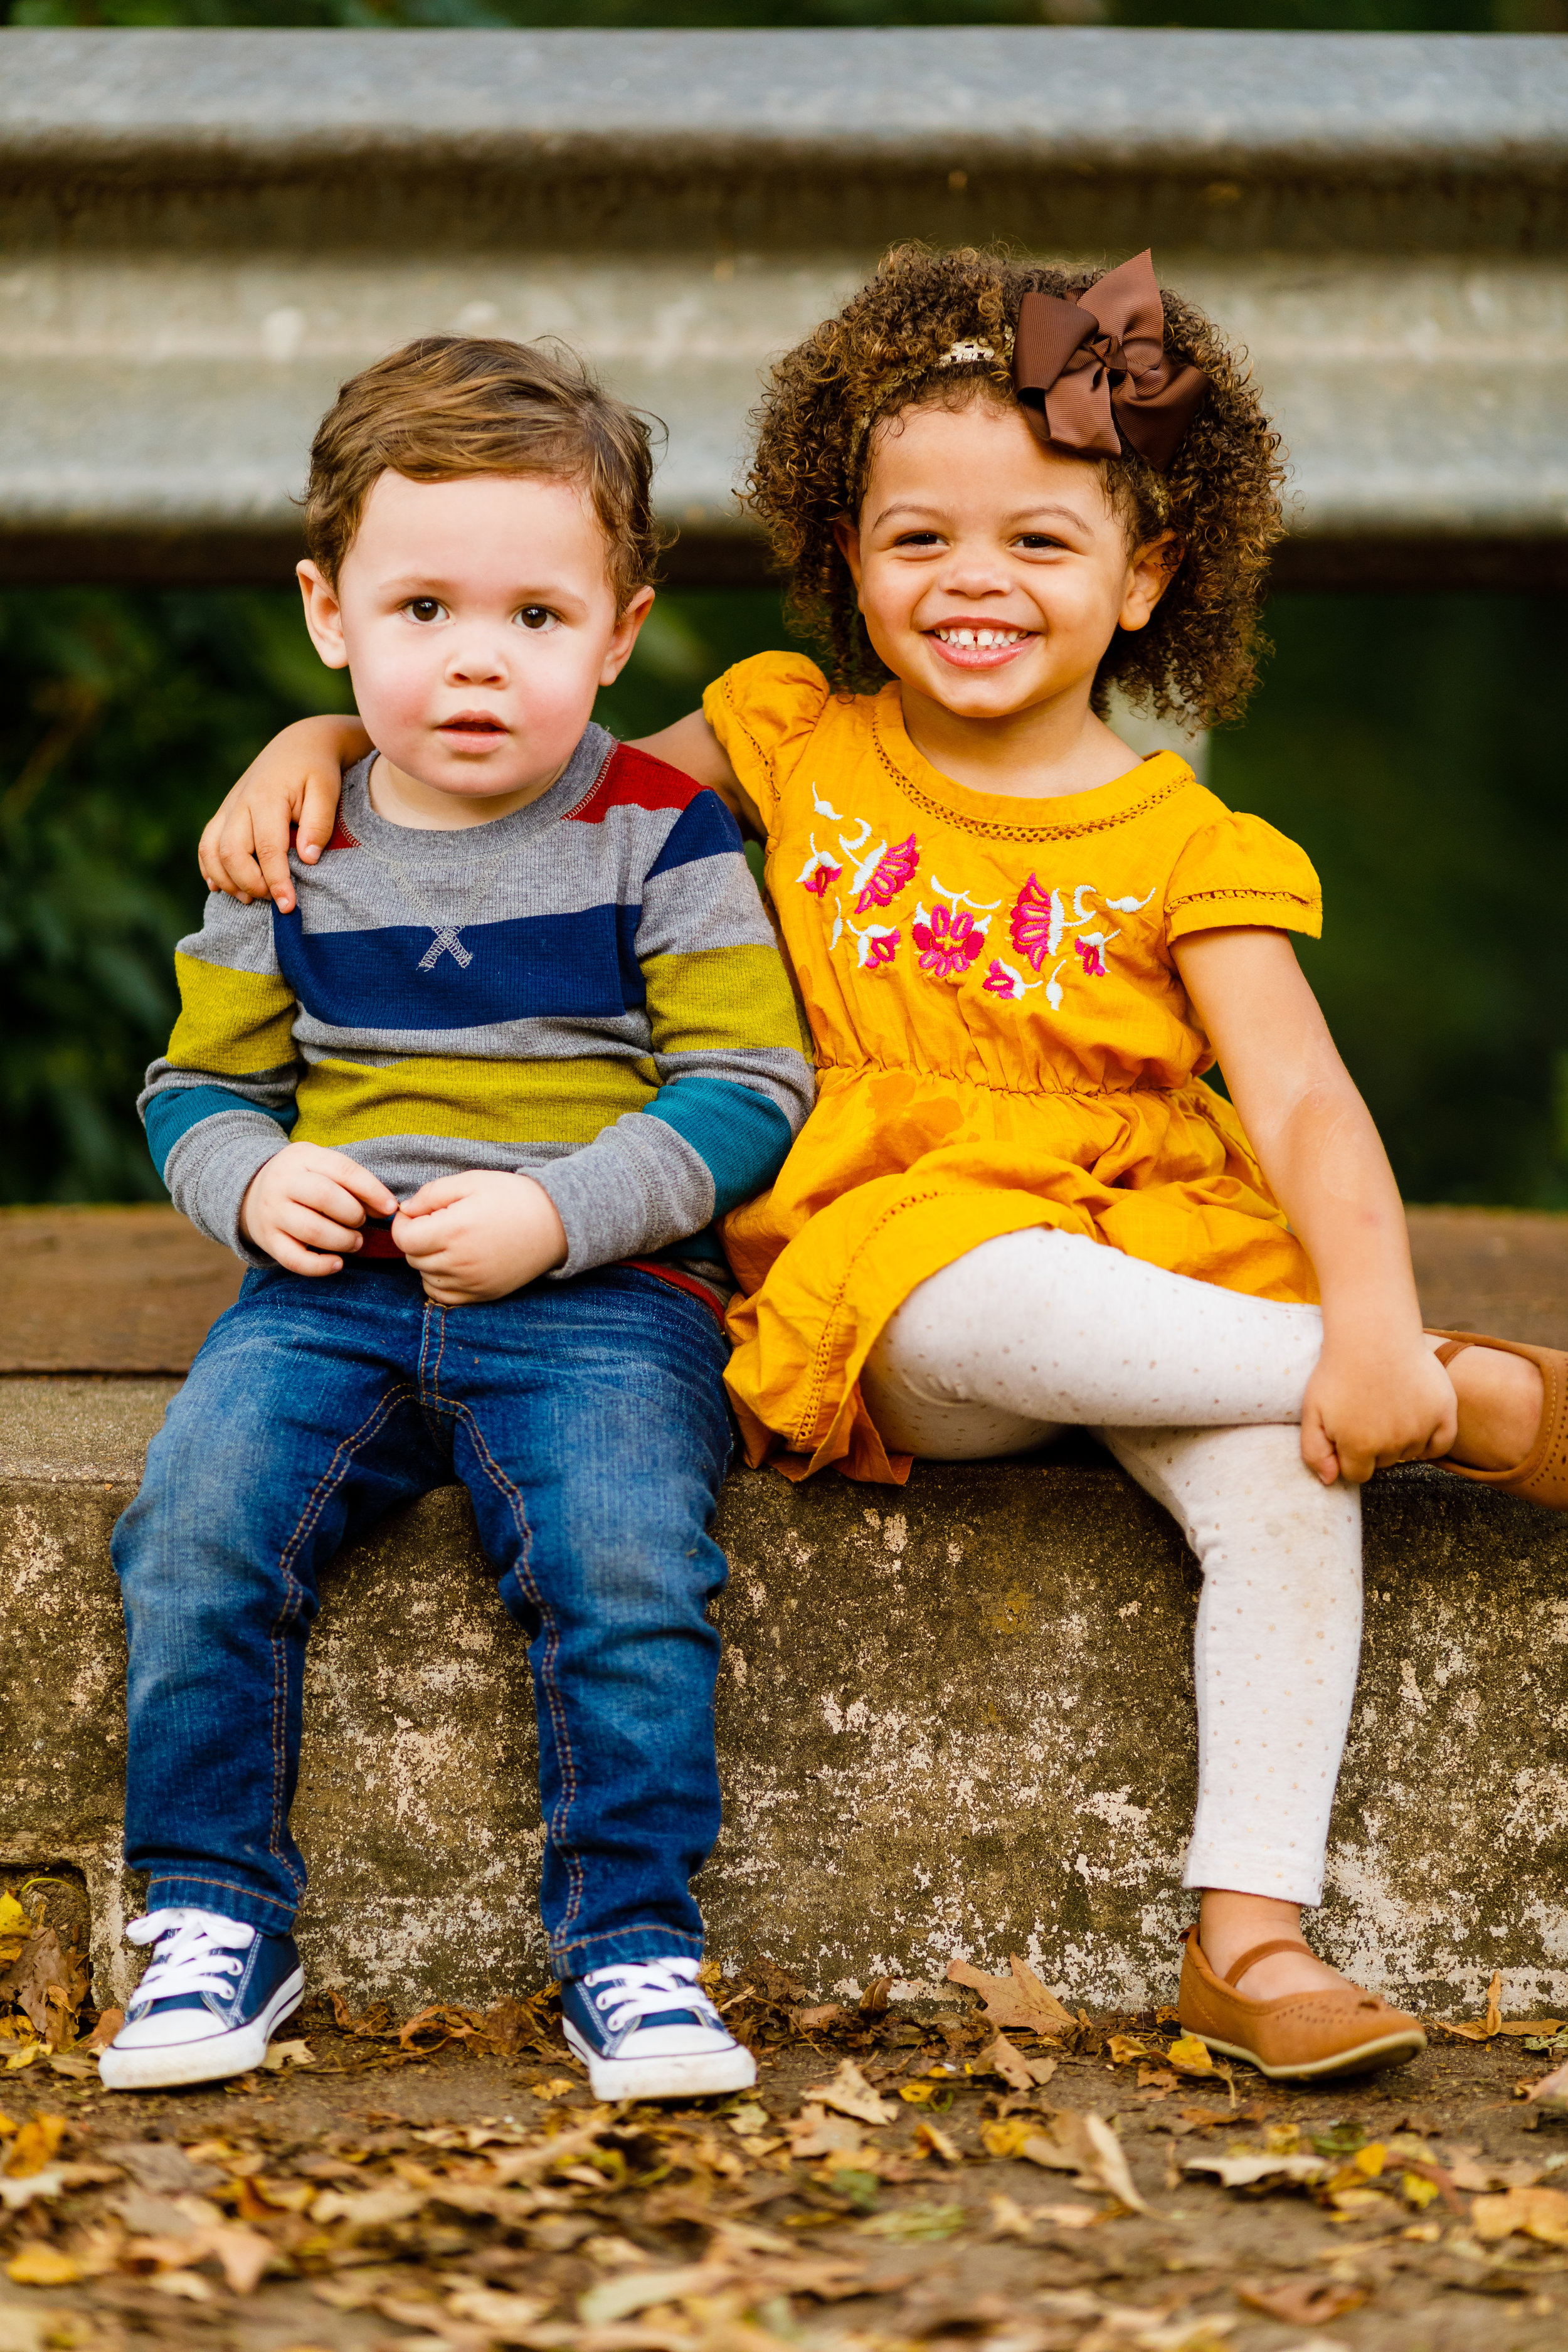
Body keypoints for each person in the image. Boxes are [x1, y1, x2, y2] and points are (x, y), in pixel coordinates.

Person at [199, 252, 1568, 2083]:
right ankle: (1482, 1403)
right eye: (916, 539)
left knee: (1279, 1473)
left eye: (1040, 545)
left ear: (1146, 575)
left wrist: (1369, 1318)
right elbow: (526, 782)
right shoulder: (784, 736)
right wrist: (318, 734)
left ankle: (1248, 1931)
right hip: (904, 1279)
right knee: (991, 1277)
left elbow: (1307, 1104)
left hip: (1151, 1271)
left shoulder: (1189, 840)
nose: (973, 584)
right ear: (846, 556)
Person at [101, 335, 815, 2100]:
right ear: (329, 616)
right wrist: (256, 1184)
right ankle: (209, 1921)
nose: (475, 659)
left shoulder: (661, 830)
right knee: (193, 1529)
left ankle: (633, 1950)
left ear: (622, 633)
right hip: (327, 1295)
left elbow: (748, 1086)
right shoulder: (293, 837)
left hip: (603, 1296)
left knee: (625, 1567)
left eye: (534, 618)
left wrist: (558, 1217)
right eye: (420, 608)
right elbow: (195, 1091)